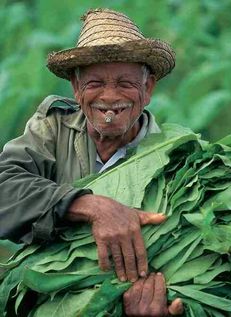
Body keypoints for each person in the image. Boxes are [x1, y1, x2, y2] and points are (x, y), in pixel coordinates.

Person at [0, 9, 183, 316]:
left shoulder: (177, 161)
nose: (110, 97)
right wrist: (92, 207)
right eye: (95, 82)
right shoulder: (52, 130)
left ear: (148, 88)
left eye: (125, 83)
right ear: (75, 87)